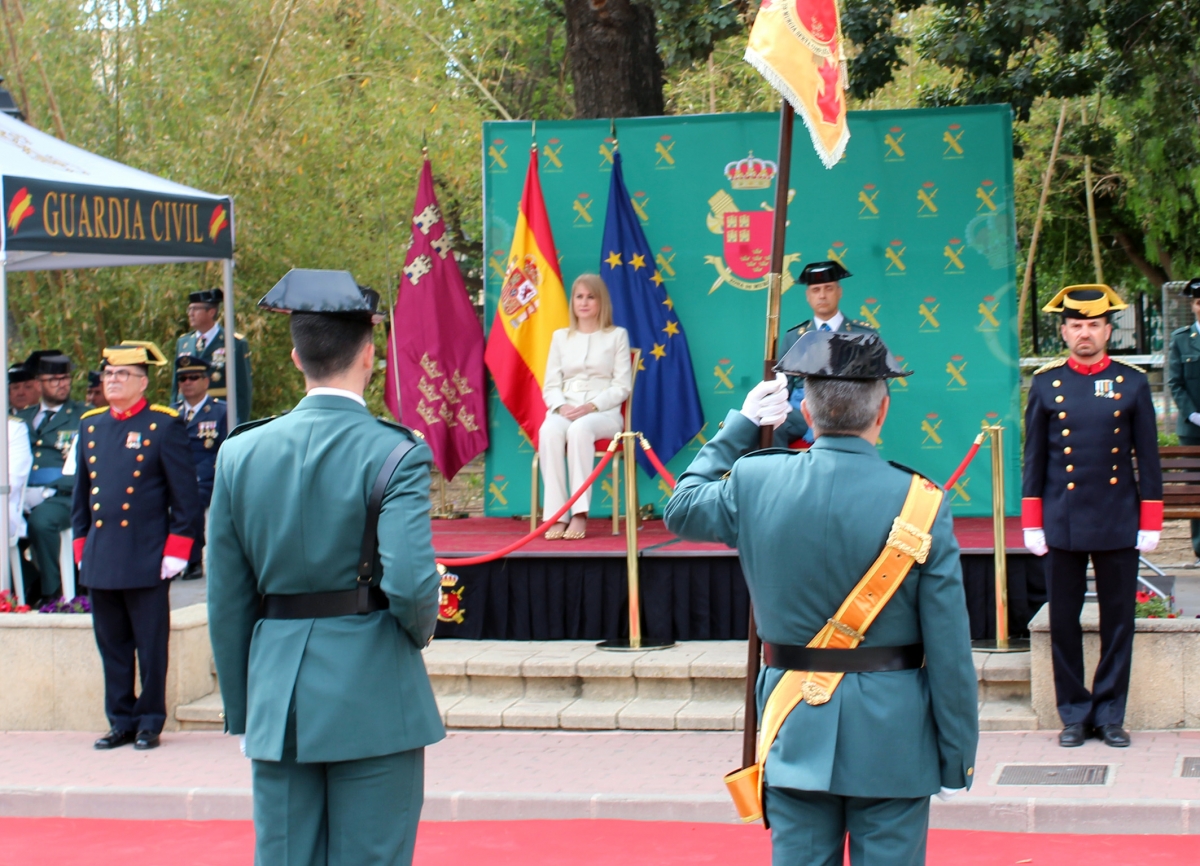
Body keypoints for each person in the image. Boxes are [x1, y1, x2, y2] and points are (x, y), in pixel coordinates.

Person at [664, 331, 978, 865]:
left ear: (804, 412)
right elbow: (950, 651)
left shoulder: (755, 480)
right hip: (894, 740)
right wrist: (956, 759)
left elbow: (682, 506)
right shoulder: (922, 501)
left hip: (795, 728)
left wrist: (740, 424)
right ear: (883, 410)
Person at [208, 269, 444, 865]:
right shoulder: (397, 450)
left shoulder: (240, 451)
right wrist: (416, 634)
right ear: (370, 355)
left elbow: (227, 600)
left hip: (278, 699)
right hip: (373, 685)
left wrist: (246, 707)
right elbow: (414, 581)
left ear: (295, 357)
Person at [1023, 285, 1163, 749]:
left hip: (1117, 518)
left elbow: (1148, 458)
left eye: (1094, 325)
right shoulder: (1045, 383)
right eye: (1076, 325)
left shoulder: (1133, 382)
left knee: (1118, 620)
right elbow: (1034, 460)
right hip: (1062, 519)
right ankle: (1073, 714)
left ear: (1108, 330)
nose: (1085, 333)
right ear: (1064, 331)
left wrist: (1151, 520)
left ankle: (1109, 714)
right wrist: (1032, 519)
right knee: (1063, 620)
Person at [72, 341, 201, 751]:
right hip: (103, 552)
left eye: (121, 374)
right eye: (108, 374)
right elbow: (82, 498)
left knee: (149, 646)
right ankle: (120, 720)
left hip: (146, 554)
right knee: (111, 645)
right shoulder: (91, 425)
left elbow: (185, 497)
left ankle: (149, 720)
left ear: (142, 382)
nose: (112, 380)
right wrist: (82, 548)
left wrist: (178, 549)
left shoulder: (162, 425)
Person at [539, 274, 632, 540]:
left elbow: (622, 386)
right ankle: (557, 514)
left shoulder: (617, 336)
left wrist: (592, 405)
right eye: (579, 296)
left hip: (603, 413)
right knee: (549, 431)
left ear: (601, 301)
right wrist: (560, 406)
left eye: (590, 297)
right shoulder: (560, 337)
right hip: (566, 408)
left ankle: (579, 513)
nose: (584, 302)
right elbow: (550, 385)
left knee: (580, 430)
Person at [774, 261, 875, 448]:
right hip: (802, 415)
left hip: (848, 414)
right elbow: (782, 387)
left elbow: (879, 389)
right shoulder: (794, 337)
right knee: (769, 423)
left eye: (828, 288)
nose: (822, 295)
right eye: (816, 290)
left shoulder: (864, 336)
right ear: (808, 296)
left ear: (839, 292)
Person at [17, 351, 85, 604]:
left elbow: (86, 467)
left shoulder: (83, 416)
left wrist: (49, 491)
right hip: (20, 496)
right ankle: (25, 581)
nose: (62, 384)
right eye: (54, 379)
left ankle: (52, 594)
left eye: (65, 378)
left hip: (64, 496)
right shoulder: (19, 418)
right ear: (38, 383)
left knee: (41, 521)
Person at [172, 354, 227, 581]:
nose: (187, 382)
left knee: (190, 498)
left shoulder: (221, 411)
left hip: (206, 476)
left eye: (193, 377)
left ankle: (193, 559)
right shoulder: (170, 413)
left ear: (206, 381)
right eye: (183, 378)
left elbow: (226, 448)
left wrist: (201, 474)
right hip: (173, 474)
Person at [172, 289, 252, 425]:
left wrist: (238, 426)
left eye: (195, 309)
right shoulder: (184, 342)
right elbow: (175, 386)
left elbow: (242, 391)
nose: (190, 314)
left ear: (211, 312)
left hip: (218, 416)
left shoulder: (233, 343)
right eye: (189, 309)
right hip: (187, 414)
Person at [1166, 278, 1200, 563]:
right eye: (1199, 303)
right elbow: (1175, 383)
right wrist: (1194, 414)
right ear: (1193, 306)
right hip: (1193, 429)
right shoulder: (1181, 339)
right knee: (1196, 491)